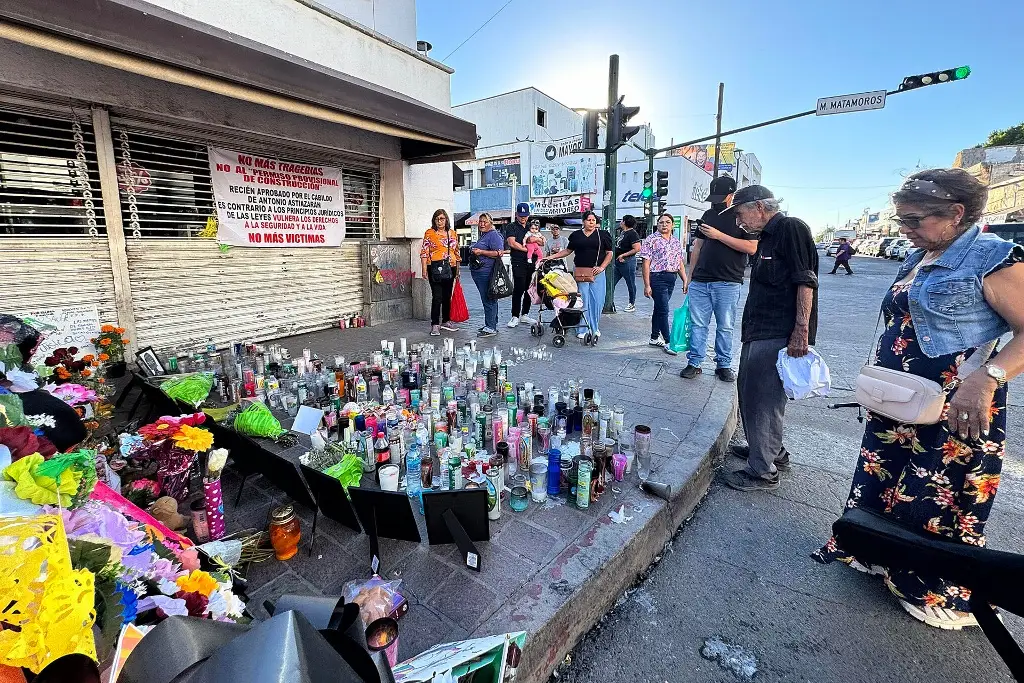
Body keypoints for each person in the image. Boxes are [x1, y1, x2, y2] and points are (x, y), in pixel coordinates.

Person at [814, 169, 1024, 630]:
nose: (905, 229)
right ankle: (875, 553)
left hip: (957, 398)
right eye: (901, 219)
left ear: (956, 214)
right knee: (884, 474)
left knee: (938, 488)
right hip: (900, 394)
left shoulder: (994, 257)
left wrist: (987, 379)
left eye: (914, 220)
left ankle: (934, 588)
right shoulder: (918, 255)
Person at [722, 185, 818, 492]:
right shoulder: (765, 237)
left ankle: (762, 471)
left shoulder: (790, 228)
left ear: (759, 207)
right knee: (752, 392)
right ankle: (770, 451)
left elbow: (805, 280)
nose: (740, 222)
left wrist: (801, 330)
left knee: (762, 398)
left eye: (740, 214)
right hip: (759, 328)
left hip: (778, 330)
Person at [681, 176, 757, 382]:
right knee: (698, 324)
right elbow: (698, 246)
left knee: (725, 325)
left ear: (731, 195)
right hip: (700, 281)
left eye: (720, 196)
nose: (715, 201)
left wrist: (718, 235)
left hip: (728, 281)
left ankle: (723, 364)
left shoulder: (741, 216)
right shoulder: (708, 214)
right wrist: (689, 276)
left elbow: (751, 247)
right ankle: (694, 362)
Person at [543, 210, 613, 341]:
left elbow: (609, 253)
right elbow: (568, 251)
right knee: (583, 300)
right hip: (581, 272)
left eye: (593, 220)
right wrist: (550, 257)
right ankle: (582, 328)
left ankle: (594, 327)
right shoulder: (576, 235)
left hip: (597, 272)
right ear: (583, 221)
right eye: (588, 220)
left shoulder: (603, 235)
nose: (591, 222)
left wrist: (602, 267)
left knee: (597, 301)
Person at [638, 213, 689, 354]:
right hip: (657, 277)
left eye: (667, 222)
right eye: (661, 222)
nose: (664, 225)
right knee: (664, 310)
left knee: (659, 309)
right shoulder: (651, 240)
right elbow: (646, 263)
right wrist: (647, 285)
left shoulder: (675, 241)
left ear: (672, 225)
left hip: (672, 277)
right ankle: (668, 341)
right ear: (657, 224)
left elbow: (679, 262)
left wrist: (685, 279)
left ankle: (654, 337)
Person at [419, 209, 461, 336]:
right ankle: (435, 324)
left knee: (447, 296)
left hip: (451, 267)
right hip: (435, 268)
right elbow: (424, 252)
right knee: (437, 297)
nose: (439, 221)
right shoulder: (430, 233)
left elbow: (457, 252)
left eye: (442, 218)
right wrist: (424, 269)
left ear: (446, 219)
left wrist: (458, 271)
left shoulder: (452, 233)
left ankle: (446, 321)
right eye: (437, 219)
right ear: (434, 220)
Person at [467, 213, 505, 337]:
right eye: (480, 221)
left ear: (491, 223)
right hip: (480, 272)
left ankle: (491, 327)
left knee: (489, 300)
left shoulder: (493, 235)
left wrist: (481, 251)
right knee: (489, 299)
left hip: (487, 272)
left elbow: (499, 253)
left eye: (485, 222)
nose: (482, 224)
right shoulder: (485, 235)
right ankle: (491, 323)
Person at [505, 204, 537, 328]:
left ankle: (525, 314)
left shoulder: (531, 227)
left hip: (532, 261)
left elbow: (539, 240)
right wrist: (527, 249)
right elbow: (512, 243)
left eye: (525, 216)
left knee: (529, 288)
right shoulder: (511, 226)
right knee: (519, 288)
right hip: (519, 261)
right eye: (521, 216)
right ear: (516, 215)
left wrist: (534, 247)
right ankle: (515, 316)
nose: (523, 218)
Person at [613, 215, 642, 312]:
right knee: (611, 282)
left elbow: (637, 248)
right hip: (618, 261)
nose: (620, 222)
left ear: (625, 222)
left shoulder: (632, 233)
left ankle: (632, 303)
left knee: (630, 283)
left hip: (627, 261)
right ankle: (608, 301)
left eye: (622, 220)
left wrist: (624, 255)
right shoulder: (623, 232)